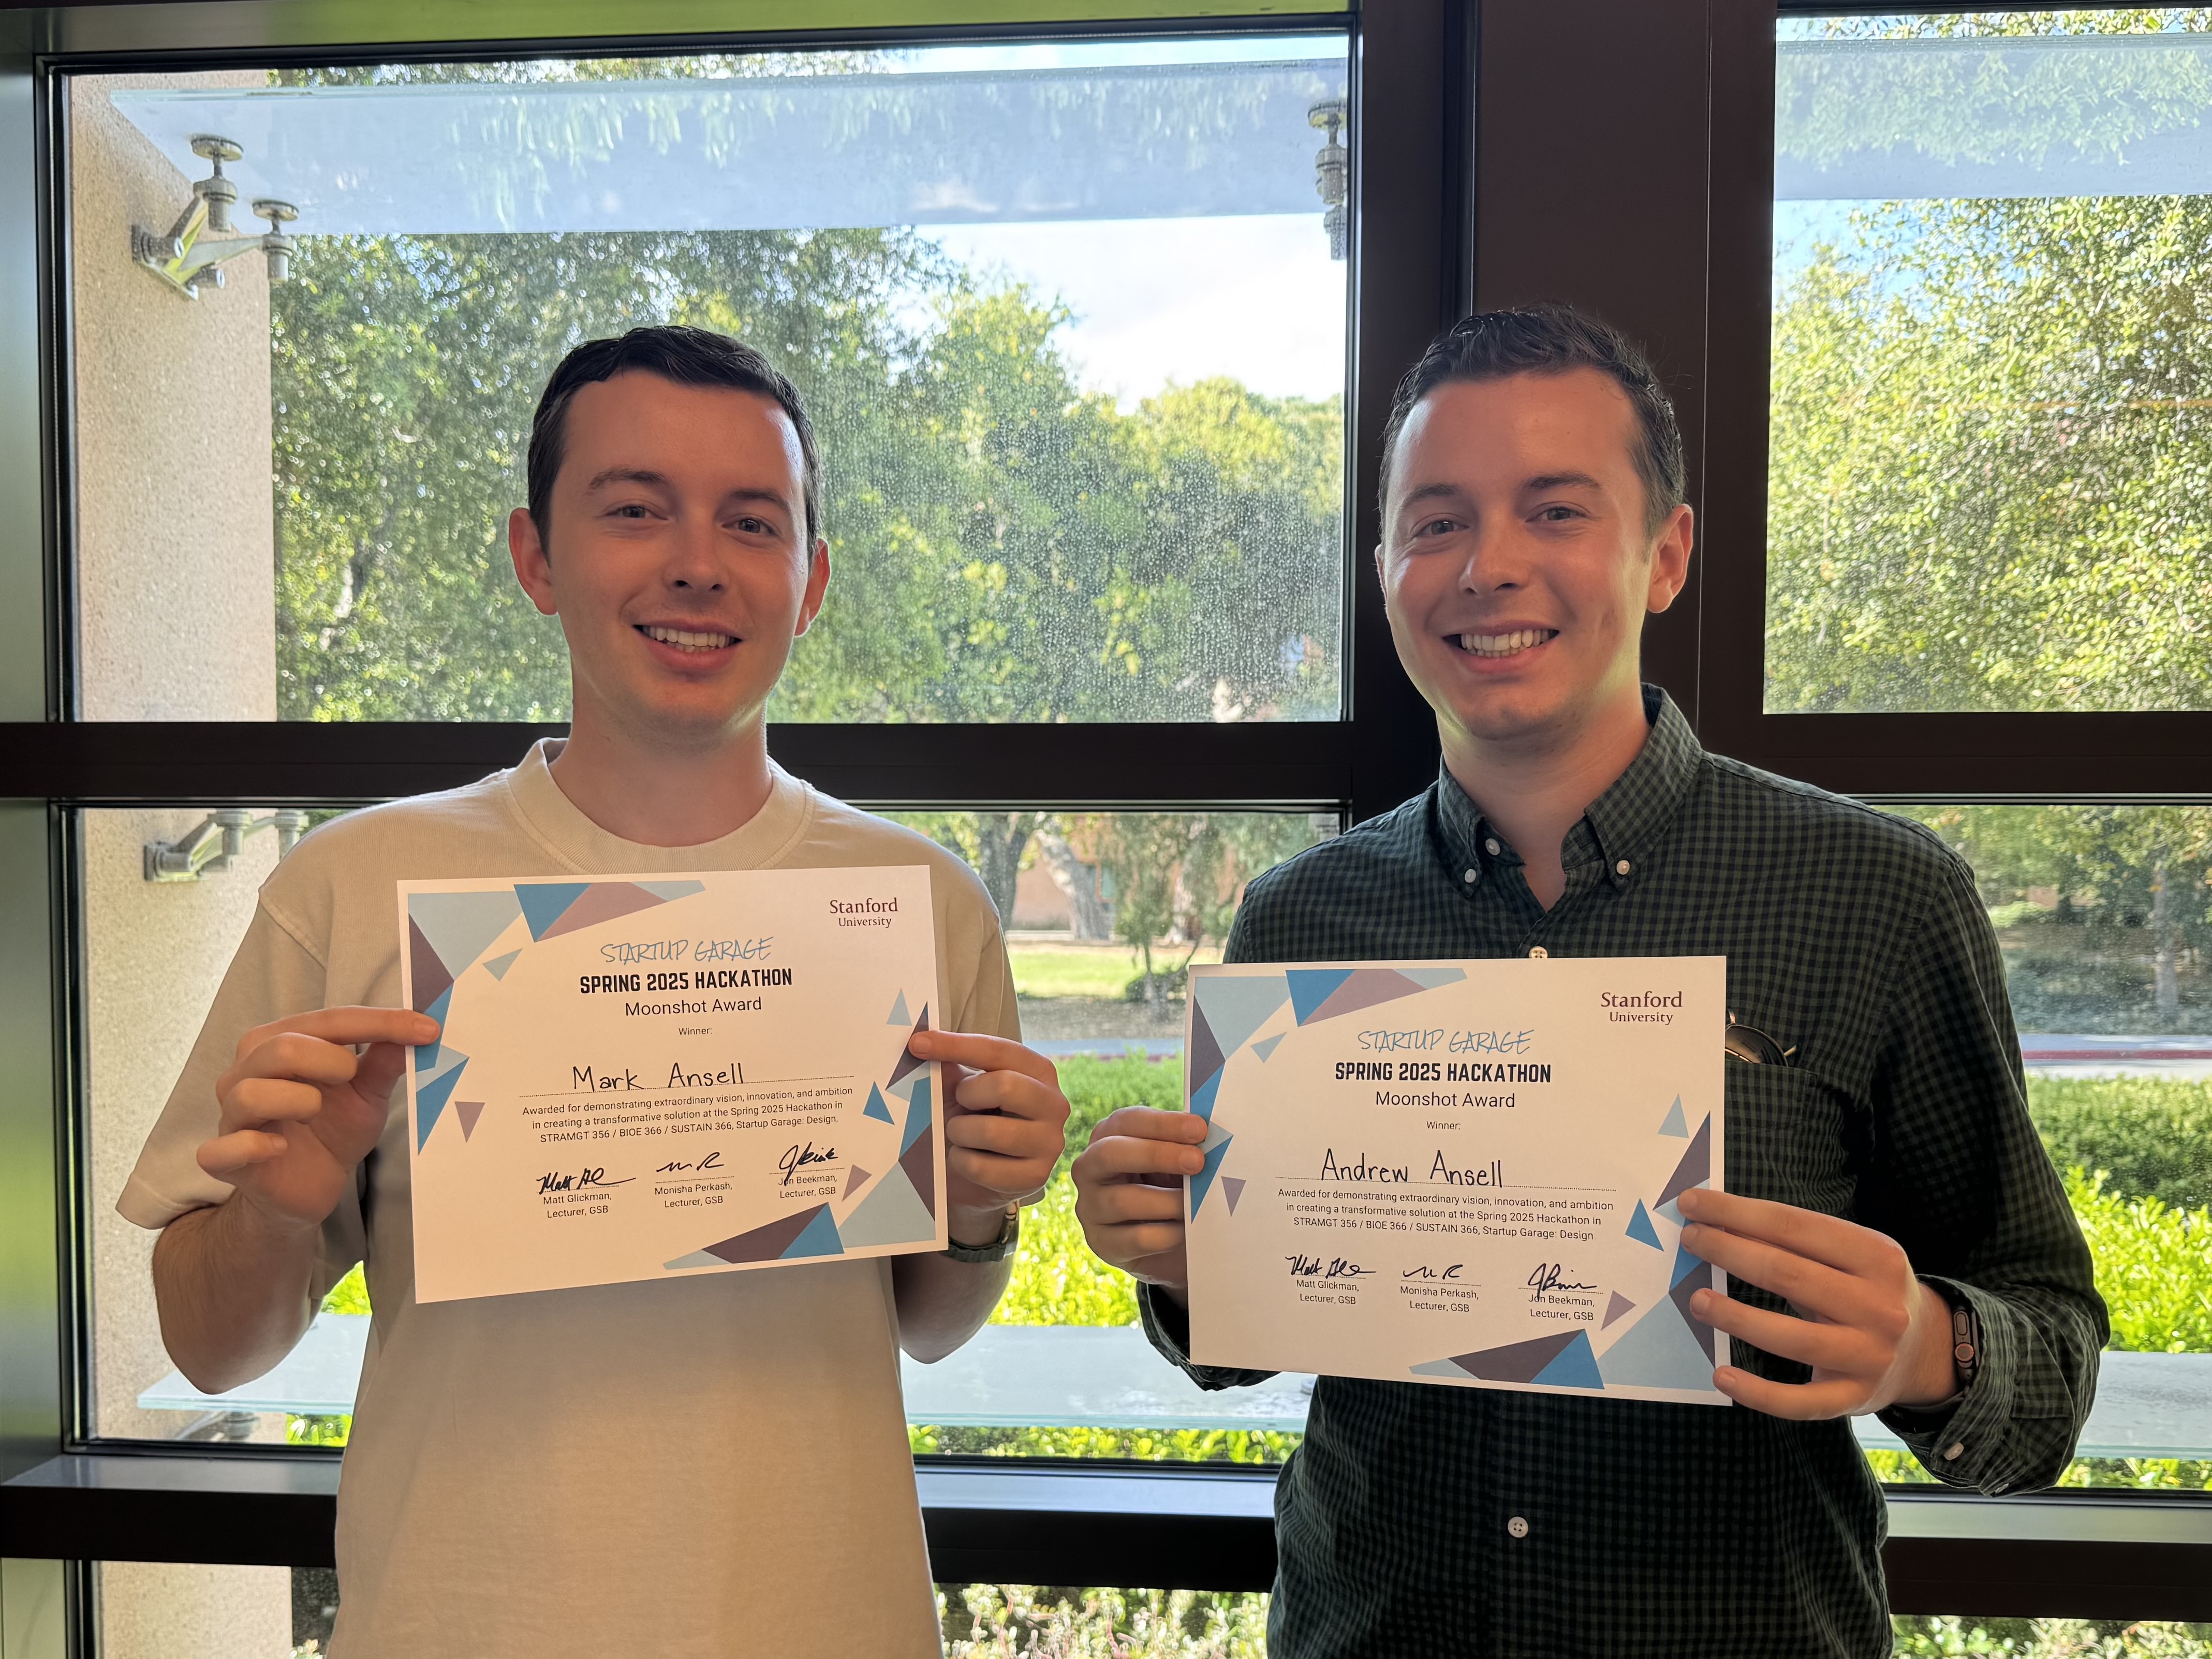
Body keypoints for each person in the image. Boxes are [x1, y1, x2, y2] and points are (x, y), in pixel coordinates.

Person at [1070, 305, 2104, 1658]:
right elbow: (1235, 1329)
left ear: (1665, 551)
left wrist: (1922, 1346)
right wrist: (1176, 1254)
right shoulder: (1303, 915)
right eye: (1434, 521)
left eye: (1553, 510)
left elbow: (2049, 1344)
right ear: (1383, 566)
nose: (1488, 566)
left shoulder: (1878, 897)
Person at [120, 326, 1071, 1658]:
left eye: (754, 519)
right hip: (457, 1622)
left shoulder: (919, 901)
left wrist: (974, 1210)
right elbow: (215, 1351)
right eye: (635, 508)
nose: (697, 560)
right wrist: (279, 1209)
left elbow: (930, 1325)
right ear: (535, 558)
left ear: (809, 584)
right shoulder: (355, 886)